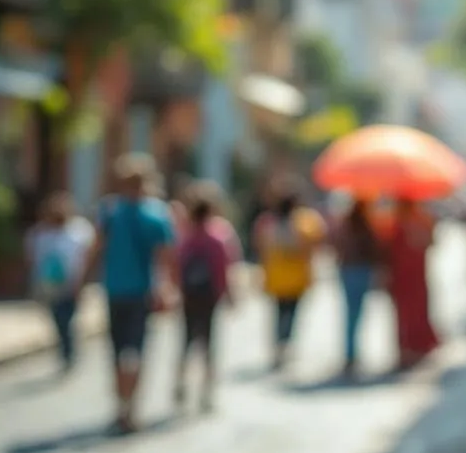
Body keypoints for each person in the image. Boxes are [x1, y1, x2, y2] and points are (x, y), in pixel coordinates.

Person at [88, 153, 177, 434]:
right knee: (135, 351)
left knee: (116, 351)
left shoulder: (110, 210)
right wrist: (167, 289)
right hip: (140, 291)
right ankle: (131, 407)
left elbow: (95, 249)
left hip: (115, 289)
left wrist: (81, 282)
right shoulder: (157, 213)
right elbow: (165, 258)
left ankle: (121, 405)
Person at [173, 182, 240, 412]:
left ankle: (180, 383)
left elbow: (177, 266)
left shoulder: (186, 236)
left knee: (186, 341)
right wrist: (229, 294)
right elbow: (225, 268)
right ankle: (206, 392)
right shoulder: (220, 235)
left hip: (190, 295)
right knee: (209, 344)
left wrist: (177, 290)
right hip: (209, 296)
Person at [254, 188, 325, 371]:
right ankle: (285, 344)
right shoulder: (303, 222)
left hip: (275, 276)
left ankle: (278, 344)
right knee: (291, 313)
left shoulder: (268, 222)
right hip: (297, 277)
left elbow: (260, 248)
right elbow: (314, 244)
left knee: (279, 312)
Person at [25, 192, 94, 373]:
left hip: (72, 283)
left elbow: (86, 258)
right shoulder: (40, 232)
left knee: (67, 318)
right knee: (57, 318)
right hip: (50, 284)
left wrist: (82, 284)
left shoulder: (79, 230)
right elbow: (33, 258)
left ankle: (69, 350)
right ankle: (66, 349)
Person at [331, 198, 384, 376]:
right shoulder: (366, 227)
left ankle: (350, 353)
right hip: (360, 270)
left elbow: (335, 246)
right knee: (357, 312)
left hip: (347, 270)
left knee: (350, 313)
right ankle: (351, 353)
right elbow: (375, 250)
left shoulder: (345, 225)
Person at [387, 198, 439, 368]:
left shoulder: (421, 220)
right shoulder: (395, 222)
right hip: (402, 275)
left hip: (413, 275)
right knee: (405, 314)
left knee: (414, 312)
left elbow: (430, 242)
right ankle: (406, 350)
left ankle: (416, 347)